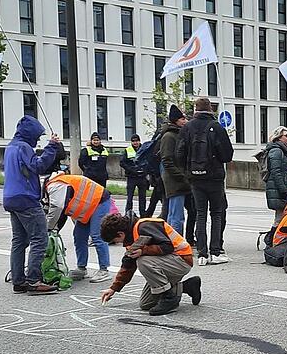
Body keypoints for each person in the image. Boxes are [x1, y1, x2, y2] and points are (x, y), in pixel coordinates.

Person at [2, 116, 62, 294]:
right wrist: (52, 146)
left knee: (19, 241)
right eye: (37, 136)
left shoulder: (11, 147)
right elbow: (39, 166)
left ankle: (18, 281)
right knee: (39, 238)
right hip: (26, 198)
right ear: (30, 134)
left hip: (11, 197)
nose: (37, 140)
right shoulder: (24, 147)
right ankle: (34, 281)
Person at [99, 214, 202, 316]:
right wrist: (114, 288)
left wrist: (143, 251)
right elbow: (128, 265)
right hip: (168, 262)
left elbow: (167, 246)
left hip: (181, 260)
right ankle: (188, 286)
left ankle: (169, 298)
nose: (117, 243)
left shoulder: (145, 226)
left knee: (142, 261)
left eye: (114, 241)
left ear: (120, 234)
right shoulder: (130, 238)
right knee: (145, 304)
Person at [178, 98, 234, 265]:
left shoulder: (187, 127)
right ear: (210, 109)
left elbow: (179, 153)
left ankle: (202, 253)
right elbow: (227, 155)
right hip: (214, 178)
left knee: (200, 214)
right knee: (216, 213)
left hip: (195, 178)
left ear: (195, 109)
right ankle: (215, 251)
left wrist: (187, 172)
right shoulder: (216, 127)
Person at [45, 172, 112, 283]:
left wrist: (50, 228)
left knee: (97, 236)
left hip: (99, 201)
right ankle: (81, 268)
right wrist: (54, 229)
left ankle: (104, 270)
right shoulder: (56, 185)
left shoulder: (55, 186)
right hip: (87, 207)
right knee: (79, 236)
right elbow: (62, 213)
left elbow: (58, 208)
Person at [159, 104, 194, 243]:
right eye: (182, 118)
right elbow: (167, 160)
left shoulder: (177, 134)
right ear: (175, 120)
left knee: (175, 215)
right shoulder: (169, 136)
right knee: (176, 216)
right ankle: (175, 244)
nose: (185, 121)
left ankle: (172, 242)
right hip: (175, 182)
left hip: (179, 181)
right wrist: (182, 176)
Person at [263, 126, 287, 242]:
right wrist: (283, 190)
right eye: (286, 135)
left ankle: (273, 239)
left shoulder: (283, 150)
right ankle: (271, 240)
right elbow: (276, 172)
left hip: (279, 189)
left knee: (280, 216)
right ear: (279, 137)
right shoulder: (277, 151)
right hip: (278, 190)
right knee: (280, 217)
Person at [121, 133, 148, 215]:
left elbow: (149, 161)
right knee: (130, 197)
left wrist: (145, 171)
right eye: (133, 141)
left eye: (137, 141)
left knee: (142, 197)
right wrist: (131, 170)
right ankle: (128, 213)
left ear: (139, 141)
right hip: (131, 176)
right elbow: (122, 162)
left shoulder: (145, 149)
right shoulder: (127, 150)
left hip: (142, 176)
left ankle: (142, 213)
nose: (135, 143)